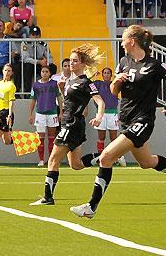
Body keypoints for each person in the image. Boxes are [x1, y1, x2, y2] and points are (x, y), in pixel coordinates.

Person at [71, 26, 166, 219]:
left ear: (132, 41)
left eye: (123, 39)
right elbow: (113, 91)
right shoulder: (124, 62)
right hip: (126, 119)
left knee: (106, 157)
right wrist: (117, 80)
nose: (121, 43)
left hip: (143, 120)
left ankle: (91, 207)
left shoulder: (155, 64)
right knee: (146, 162)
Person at [30, 44, 106, 206]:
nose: (71, 63)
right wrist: (63, 90)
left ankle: (47, 198)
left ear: (83, 63)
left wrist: (99, 117)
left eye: (75, 61)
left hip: (72, 125)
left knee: (53, 160)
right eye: (70, 60)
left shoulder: (86, 82)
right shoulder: (70, 81)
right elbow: (69, 104)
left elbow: (100, 101)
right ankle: (106, 156)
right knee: (76, 165)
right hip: (70, 124)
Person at [28, 64, 63, 167]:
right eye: (43, 71)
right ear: (40, 73)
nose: (44, 73)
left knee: (52, 138)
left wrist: (61, 112)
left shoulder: (54, 84)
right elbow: (33, 100)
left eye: (46, 72)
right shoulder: (35, 85)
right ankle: (41, 160)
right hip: (40, 114)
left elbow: (59, 98)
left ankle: (51, 159)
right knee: (41, 138)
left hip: (52, 113)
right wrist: (30, 114)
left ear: (50, 73)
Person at [94, 67, 127, 166]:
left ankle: (116, 158)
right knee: (101, 137)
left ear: (111, 75)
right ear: (102, 75)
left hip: (113, 114)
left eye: (108, 73)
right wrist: (93, 76)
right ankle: (101, 158)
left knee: (113, 138)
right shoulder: (98, 84)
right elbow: (88, 85)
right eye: (104, 73)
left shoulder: (115, 84)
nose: (106, 74)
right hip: (101, 114)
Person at [19, 25, 52, 93]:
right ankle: (27, 91)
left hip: (41, 65)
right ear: (29, 35)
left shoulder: (44, 44)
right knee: (28, 67)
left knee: (52, 67)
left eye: (37, 35)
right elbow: (25, 58)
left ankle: (49, 89)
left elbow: (50, 57)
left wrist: (46, 62)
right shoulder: (25, 43)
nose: (35, 37)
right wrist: (38, 61)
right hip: (31, 64)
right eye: (33, 35)